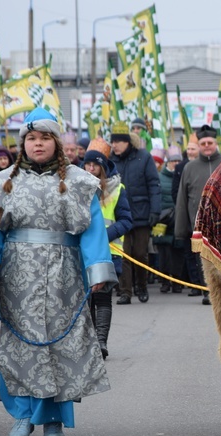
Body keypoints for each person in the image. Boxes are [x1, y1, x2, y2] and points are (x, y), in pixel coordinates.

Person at [0, 107, 116, 436]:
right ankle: (23, 416)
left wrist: (97, 270)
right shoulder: (3, 184)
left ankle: (54, 419)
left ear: (56, 142)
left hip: (64, 275)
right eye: (31, 138)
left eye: (44, 138)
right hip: (16, 276)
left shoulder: (79, 183)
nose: (37, 144)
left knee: (60, 345)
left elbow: (93, 231)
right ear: (22, 143)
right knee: (20, 346)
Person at [82, 137, 133, 359]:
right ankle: (87, 341)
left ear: (103, 167)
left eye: (95, 165)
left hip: (108, 252)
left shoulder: (116, 188)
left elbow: (126, 220)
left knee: (102, 298)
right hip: (81, 253)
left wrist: (104, 235)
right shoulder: (75, 187)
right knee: (85, 300)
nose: (91, 168)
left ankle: (100, 341)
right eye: (87, 164)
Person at [109, 120, 161, 304]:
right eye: (112, 141)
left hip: (141, 213)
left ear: (128, 142)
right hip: (120, 216)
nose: (114, 145)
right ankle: (125, 292)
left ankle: (142, 285)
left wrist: (155, 210)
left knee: (140, 253)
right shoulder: (111, 160)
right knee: (124, 254)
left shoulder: (144, 157)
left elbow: (153, 185)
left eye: (118, 141)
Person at [174, 124, 221, 305]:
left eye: (209, 142)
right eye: (203, 143)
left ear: (215, 142)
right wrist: (181, 229)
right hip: (199, 225)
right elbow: (182, 200)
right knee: (204, 260)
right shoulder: (190, 168)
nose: (206, 146)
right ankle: (207, 291)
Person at [154, 145, 184, 294]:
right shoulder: (160, 177)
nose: (176, 163)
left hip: (178, 218)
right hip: (163, 219)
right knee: (164, 252)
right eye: (174, 161)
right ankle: (165, 281)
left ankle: (177, 281)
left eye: (179, 161)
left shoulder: (183, 176)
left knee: (177, 251)